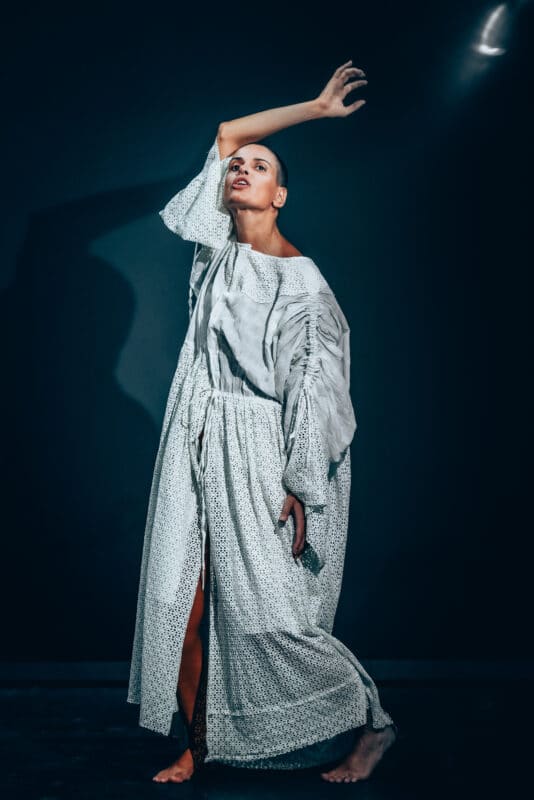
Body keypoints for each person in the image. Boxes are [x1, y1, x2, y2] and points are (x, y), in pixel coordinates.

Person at [127, 59, 397, 785]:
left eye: (261, 166)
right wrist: (314, 108)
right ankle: (199, 744)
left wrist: (302, 483)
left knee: (266, 615)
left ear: (281, 195)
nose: (242, 168)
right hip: (192, 434)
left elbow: (316, 391)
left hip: (257, 450)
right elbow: (225, 132)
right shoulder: (218, 251)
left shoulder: (302, 283)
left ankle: (372, 723)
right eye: (238, 167)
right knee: (176, 602)